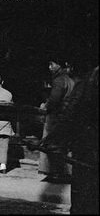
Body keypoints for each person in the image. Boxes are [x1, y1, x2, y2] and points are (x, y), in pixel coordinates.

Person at [41, 65, 98, 214]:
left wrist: (52, 139)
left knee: (86, 199)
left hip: (89, 148)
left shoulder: (91, 78)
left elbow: (72, 111)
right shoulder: (75, 81)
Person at [39, 56, 75, 182]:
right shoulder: (70, 80)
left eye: (52, 64)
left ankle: (56, 172)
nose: (50, 67)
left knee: (52, 144)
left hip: (56, 117)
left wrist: (45, 106)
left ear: (58, 65)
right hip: (66, 117)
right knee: (65, 145)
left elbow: (54, 100)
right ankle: (66, 172)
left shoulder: (59, 80)